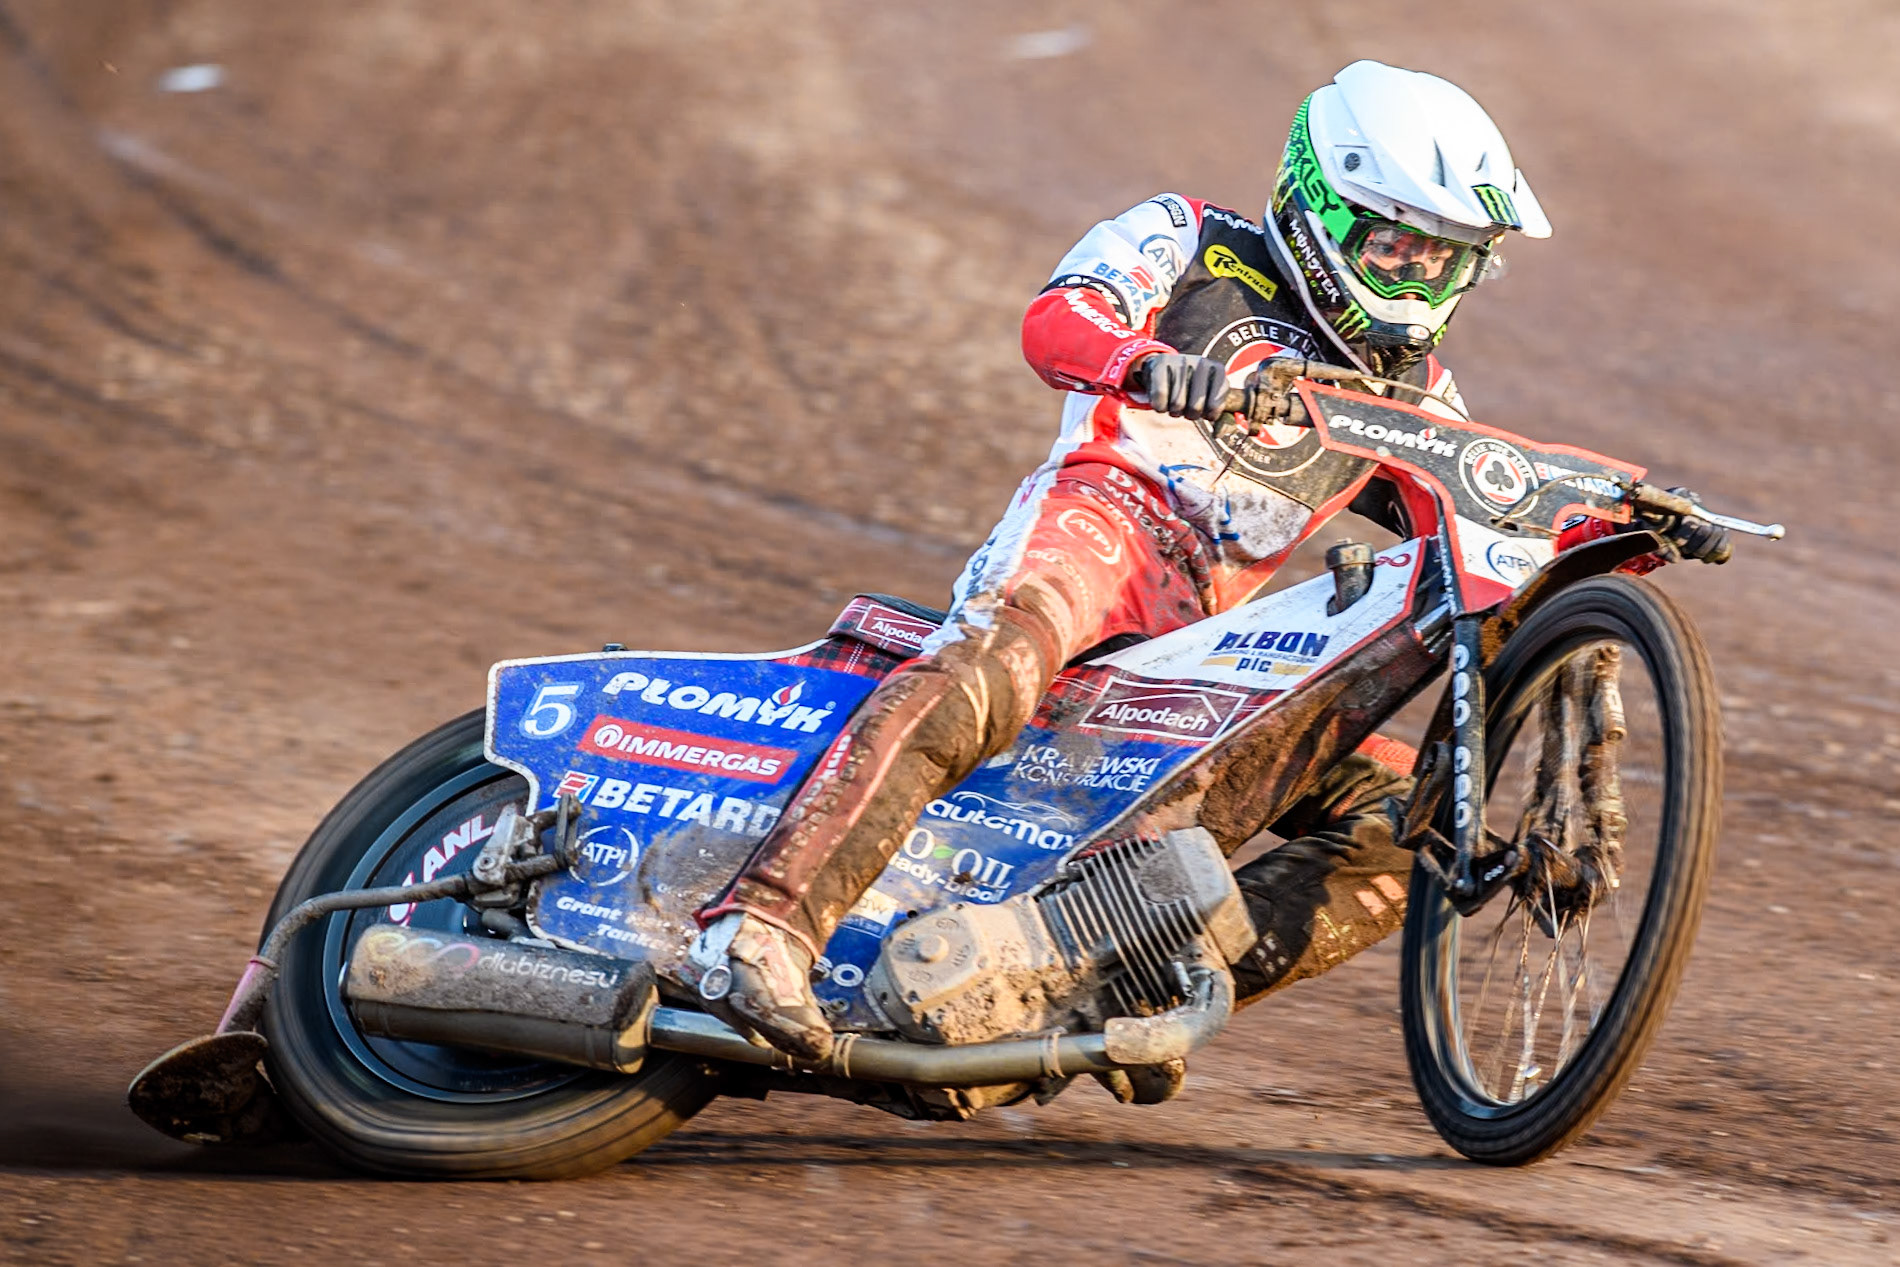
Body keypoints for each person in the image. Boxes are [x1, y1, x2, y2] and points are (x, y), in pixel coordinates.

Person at [690, 60, 1730, 1060]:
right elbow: (1055, 319)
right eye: (1397, 249)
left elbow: (1472, 541)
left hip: (1204, 644)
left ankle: (1089, 989)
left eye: (1446, 260)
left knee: (1401, 825)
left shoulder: (1411, 398)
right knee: (997, 657)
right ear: (1320, 208)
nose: (1419, 281)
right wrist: (1148, 366)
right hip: (1102, 522)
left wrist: (1606, 519)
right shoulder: (1189, 237)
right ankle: (760, 928)